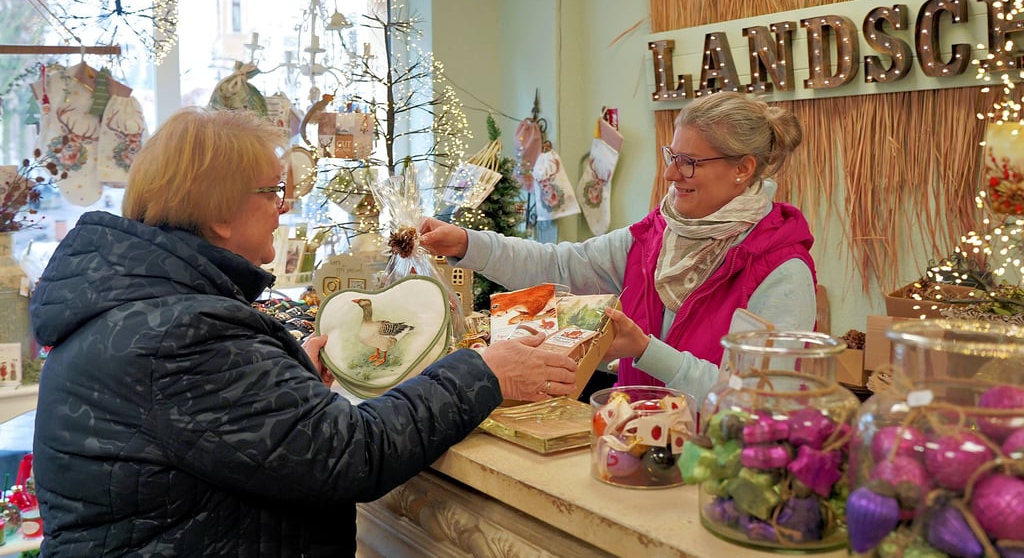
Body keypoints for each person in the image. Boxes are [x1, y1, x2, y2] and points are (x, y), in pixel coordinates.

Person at [29, 107, 578, 557]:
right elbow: (349, 453)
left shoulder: (149, 307)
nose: (283, 207)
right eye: (272, 192)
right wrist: (484, 371)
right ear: (221, 214)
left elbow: (233, 442)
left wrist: (286, 387)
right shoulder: (183, 333)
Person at [420, 91, 817, 406]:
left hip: (716, 472)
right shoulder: (655, 236)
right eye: (671, 156)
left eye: (689, 162)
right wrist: (467, 243)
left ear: (742, 169)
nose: (670, 173)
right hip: (635, 447)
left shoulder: (781, 272)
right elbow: (561, 266)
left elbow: (760, 403)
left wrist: (646, 350)